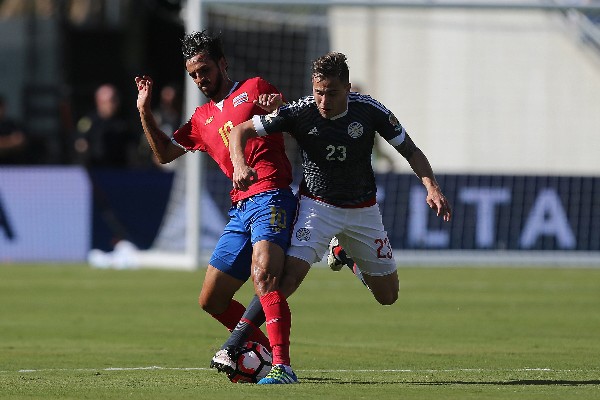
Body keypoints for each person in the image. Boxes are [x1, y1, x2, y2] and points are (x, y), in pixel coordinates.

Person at [229, 52, 452, 384]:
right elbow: (240, 132)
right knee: (284, 281)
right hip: (316, 208)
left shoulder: (370, 110)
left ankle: (343, 254)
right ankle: (261, 357)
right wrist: (239, 164)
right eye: (319, 91)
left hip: (363, 212)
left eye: (332, 92)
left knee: (388, 296)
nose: (324, 100)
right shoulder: (299, 112)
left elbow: (411, 150)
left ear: (347, 88)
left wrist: (431, 186)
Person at [134, 30, 297, 382]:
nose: (199, 79)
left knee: (264, 276)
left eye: (204, 70)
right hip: (240, 209)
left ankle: (283, 366)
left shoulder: (253, 88)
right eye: (193, 74)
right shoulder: (200, 118)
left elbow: (288, 115)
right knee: (212, 299)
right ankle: (262, 351)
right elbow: (163, 154)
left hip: (271, 194)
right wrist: (145, 111)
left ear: (222, 64)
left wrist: (279, 109)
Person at [74, 84, 139, 168]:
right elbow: (80, 143)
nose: (114, 104)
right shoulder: (88, 122)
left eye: (116, 100)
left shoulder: (124, 122)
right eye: (111, 101)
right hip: (96, 169)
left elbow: (133, 146)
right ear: (99, 102)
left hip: (121, 169)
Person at [0, 95, 27, 164]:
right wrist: (9, 140)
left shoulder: (12, 124)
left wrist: (3, 143)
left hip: (13, 166)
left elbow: (20, 142)